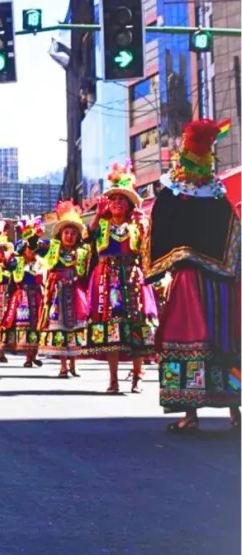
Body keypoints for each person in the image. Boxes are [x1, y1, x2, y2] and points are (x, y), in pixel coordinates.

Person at [145, 119, 240, 433]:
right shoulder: (218, 200)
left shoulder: (177, 198)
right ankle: (233, 409)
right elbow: (234, 239)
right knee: (223, 338)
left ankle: (192, 413)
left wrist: (160, 267)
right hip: (220, 282)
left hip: (190, 280)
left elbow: (158, 232)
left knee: (189, 339)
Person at [84, 162, 158, 394]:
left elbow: (148, 250)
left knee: (136, 327)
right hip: (107, 280)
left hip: (132, 279)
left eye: (121, 199)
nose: (117, 202)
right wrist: (96, 216)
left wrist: (143, 226)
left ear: (129, 205)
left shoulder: (137, 225)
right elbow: (86, 239)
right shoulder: (101, 224)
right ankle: (113, 379)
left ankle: (138, 376)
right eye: (113, 198)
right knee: (111, 329)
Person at [36, 201, 92, 378]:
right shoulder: (52, 248)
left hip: (76, 292)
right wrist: (33, 235)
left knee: (76, 328)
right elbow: (31, 246)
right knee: (60, 328)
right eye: (66, 233)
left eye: (73, 233)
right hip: (57, 293)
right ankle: (62, 366)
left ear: (77, 236)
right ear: (61, 234)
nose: (69, 236)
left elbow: (85, 274)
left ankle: (74, 365)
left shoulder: (83, 251)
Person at [0, 216, 47, 367]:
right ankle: (24, 355)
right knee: (21, 325)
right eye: (29, 249)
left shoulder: (41, 263)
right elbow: (8, 269)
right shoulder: (18, 263)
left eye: (34, 249)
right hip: (22, 297)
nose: (32, 252)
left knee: (37, 325)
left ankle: (34, 353)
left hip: (38, 296)